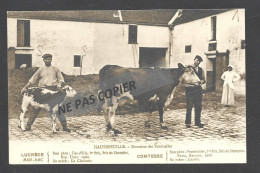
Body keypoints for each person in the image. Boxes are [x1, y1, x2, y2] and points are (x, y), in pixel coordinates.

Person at [21, 53, 71, 132]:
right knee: (36, 108)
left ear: (51, 59)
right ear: (43, 60)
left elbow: (61, 80)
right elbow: (32, 79)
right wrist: (25, 87)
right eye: (46, 59)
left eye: (49, 59)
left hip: (53, 91)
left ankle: (65, 126)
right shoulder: (40, 69)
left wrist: (59, 85)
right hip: (42, 92)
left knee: (57, 109)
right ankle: (28, 126)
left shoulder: (55, 69)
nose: (47, 60)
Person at [184, 55, 206, 128]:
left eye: (199, 61)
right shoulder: (189, 68)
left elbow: (204, 80)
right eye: (197, 60)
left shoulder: (201, 70)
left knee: (198, 106)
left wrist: (200, 82)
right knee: (189, 106)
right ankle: (188, 123)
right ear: (194, 60)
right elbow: (185, 78)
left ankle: (197, 122)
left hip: (198, 90)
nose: (198, 62)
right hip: (189, 90)